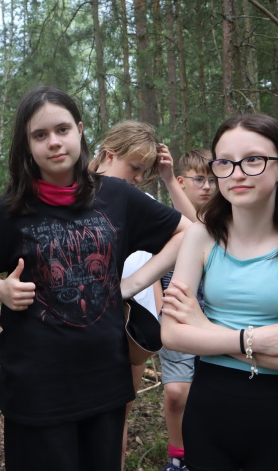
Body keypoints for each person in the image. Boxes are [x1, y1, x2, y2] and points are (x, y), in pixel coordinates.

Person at [0, 86, 190, 471]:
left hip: (105, 382)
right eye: (40, 135)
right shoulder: (9, 211)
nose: (54, 142)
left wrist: (132, 285)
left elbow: (187, 233)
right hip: (37, 389)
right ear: (27, 145)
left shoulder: (118, 196)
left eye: (62, 129)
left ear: (79, 130)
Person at [161, 113, 278, 470]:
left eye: (252, 160)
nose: (236, 173)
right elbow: (171, 334)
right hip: (206, 414)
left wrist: (202, 328)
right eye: (224, 162)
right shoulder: (201, 236)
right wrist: (257, 340)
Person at [87, 120, 177, 467]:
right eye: (135, 167)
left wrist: (140, 291)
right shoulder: (75, 194)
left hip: (131, 323)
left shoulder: (143, 202)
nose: (139, 177)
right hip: (88, 321)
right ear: (109, 155)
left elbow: (174, 243)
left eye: (144, 171)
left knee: (120, 412)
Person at [154, 148, 218, 471]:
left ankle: (207, 451)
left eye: (212, 180)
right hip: (176, 317)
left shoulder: (224, 220)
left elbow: (199, 227)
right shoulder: (165, 219)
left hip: (215, 321)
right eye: (199, 180)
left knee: (209, 393)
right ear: (182, 182)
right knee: (177, 392)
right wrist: (158, 306)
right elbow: (152, 263)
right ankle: (178, 457)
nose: (207, 186)